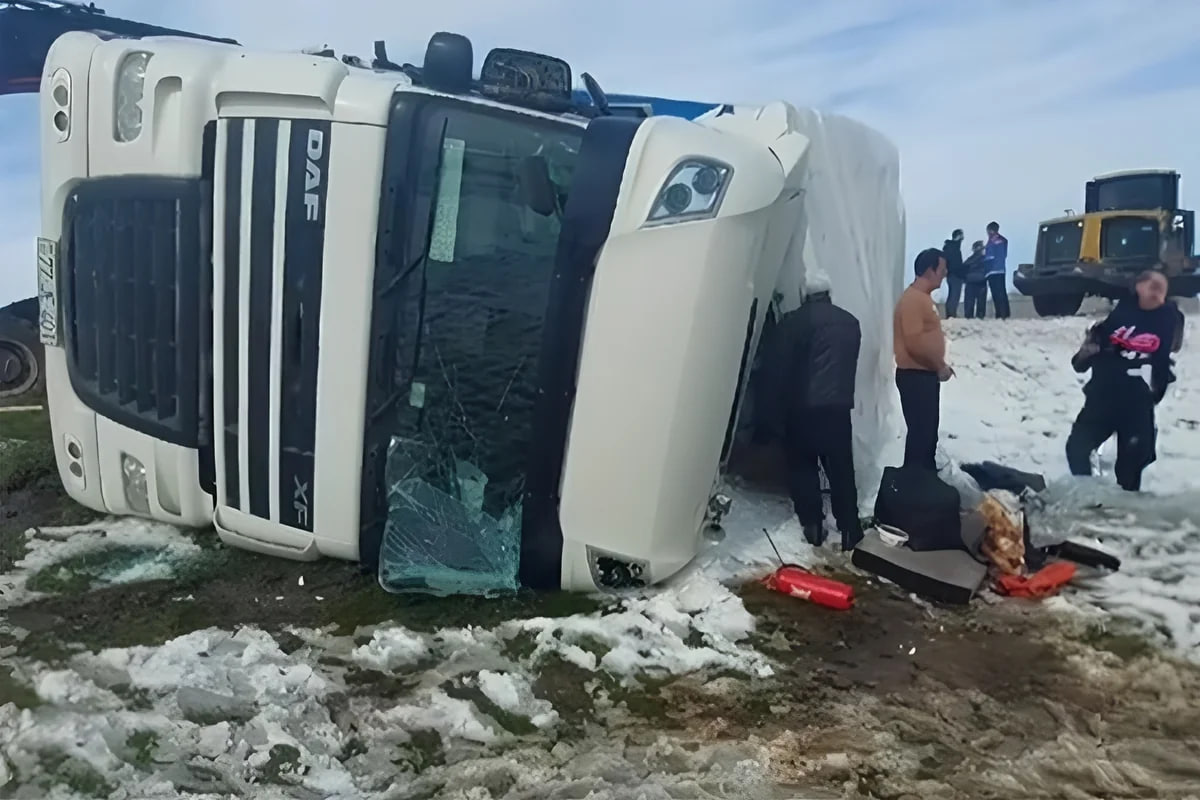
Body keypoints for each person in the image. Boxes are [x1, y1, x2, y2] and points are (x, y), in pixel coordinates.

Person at [760, 273, 864, 551]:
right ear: (829, 292)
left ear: (804, 293)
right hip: (839, 407)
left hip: (802, 408)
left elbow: (778, 369)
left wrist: (771, 412)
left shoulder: (793, 323)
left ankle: (813, 526)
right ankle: (850, 529)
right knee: (841, 469)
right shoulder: (850, 322)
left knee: (803, 466)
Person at [1065, 270, 1179, 492]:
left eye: (1161, 287)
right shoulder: (1113, 320)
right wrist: (1087, 352)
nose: (1156, 290)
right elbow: (1079, 364)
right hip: (1102, 400)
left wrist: (1154, 394)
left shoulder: (1169, 318)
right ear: (1138, 287)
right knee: (1076, 448)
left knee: (1131, 468)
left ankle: (1125, 513)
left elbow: (1165, 358)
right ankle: (1088, 495)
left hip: (1137, 405)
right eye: (1151, 284)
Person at [893, 248, 954, 470]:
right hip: (915, 376)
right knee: (921, 436)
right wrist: (939, 365)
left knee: (927, 436)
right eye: (942, 269)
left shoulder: (922, 299)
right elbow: (914, 341)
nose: (945, 274)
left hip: (924, 375)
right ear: (930, 270)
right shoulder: (912, 300)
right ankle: (914, 486)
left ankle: (923, 484)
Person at [983, 221, 1010, 319]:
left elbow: (989, 257)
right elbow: (1004, 255)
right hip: (1001, 269)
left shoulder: (991, 242)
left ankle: (1000, 314)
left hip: (992, 271)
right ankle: (1005, 313)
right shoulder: (1003, 240)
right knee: (1002, 291)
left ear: (990, 230)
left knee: (996, 293)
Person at [942, 229, 965, 318]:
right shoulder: (953, 248)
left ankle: (951, 314)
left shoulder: (951, 247)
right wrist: (961, 271)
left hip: (952, 275)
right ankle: (951, 314)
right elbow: (955, 263)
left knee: (953, 295)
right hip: (954, 275)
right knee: (954, 295)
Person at [962, 240, 988, 319]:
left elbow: (963, 270)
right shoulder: (985, 259)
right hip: (981, 282)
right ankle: (980, 317)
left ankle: (969, 317)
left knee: (969, 302)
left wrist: (965, 279)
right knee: (981, 302)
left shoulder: (969, 260)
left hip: (970, 282)